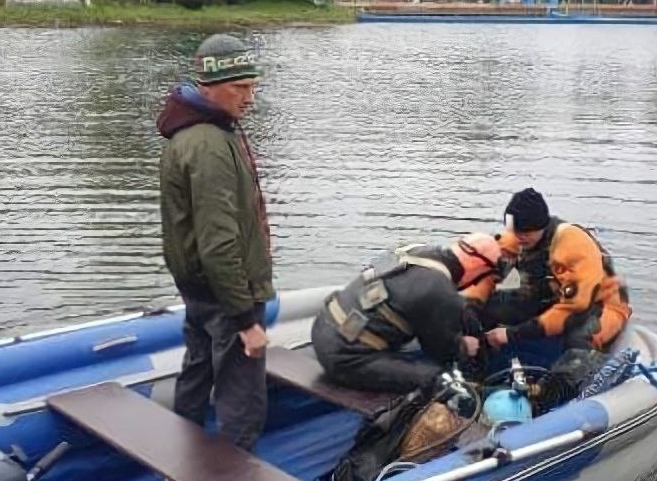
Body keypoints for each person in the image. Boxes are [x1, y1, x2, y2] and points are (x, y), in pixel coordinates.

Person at [157, 33, 272, 451]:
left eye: (253, 86)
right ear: (209, 87)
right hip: (227, 292)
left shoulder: (194, 133)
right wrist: (245, 320)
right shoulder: (209, 145)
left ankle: (181, 459)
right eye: (239, 88)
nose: (249, 97)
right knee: (242, 392)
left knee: (198, 368)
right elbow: (218, 241)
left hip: (199, 287)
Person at [311, 235, 502, 395]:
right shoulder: (439, 291)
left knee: (459, 313)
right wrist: (464, 346)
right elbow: (442, 353)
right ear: (480, 267)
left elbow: (372, 274)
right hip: (346, 359)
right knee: (438, 379)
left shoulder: (407, 249)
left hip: (324, 326)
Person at [480, 187, 631, 353]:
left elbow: (575, 310)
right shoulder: (518, 241)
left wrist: (512, 334)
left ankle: (566, 377)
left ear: (541, 225)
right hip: (554, 296)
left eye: (527, 231)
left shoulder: (572, 244)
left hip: (596, 306)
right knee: (492, 307)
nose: (520, 237)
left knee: (580, 338)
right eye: (516, 231)